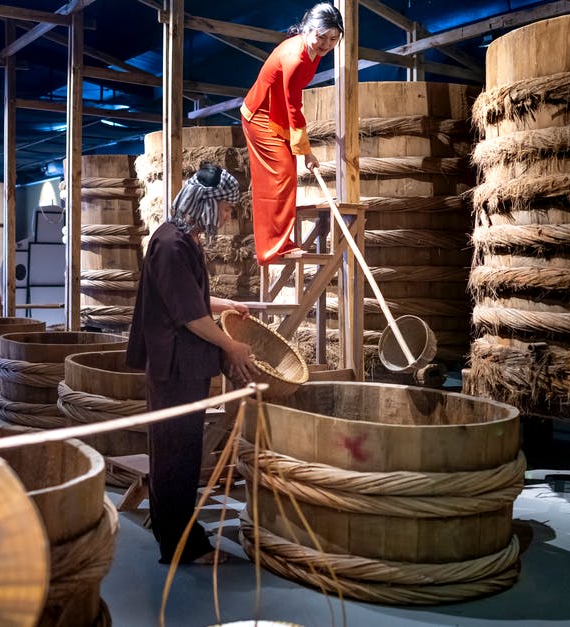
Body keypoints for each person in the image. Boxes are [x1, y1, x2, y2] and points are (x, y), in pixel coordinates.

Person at [125, 162, 260, 564]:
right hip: (175, 368)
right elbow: (189, 316)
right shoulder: (171, 245)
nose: (227, 216)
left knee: (176, 452)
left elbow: (190, 299)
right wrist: (231, 347)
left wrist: (228, 304)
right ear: (205, 203)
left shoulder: (181, 240)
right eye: (224, 208)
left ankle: (171, 529)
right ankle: (181, 546)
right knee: (175, 455)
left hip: (184, 367)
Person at [241, 3, 343, 264]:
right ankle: (276, 247)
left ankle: (278, 243)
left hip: (274, 114)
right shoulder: (296, 58)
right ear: (308, 30)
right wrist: (306, 152)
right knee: (283, 174)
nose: (327, 44)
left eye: (333, 38)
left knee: (284, 173)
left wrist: (302, 150)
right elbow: (293, 106)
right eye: (322, 37)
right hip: (260, 115)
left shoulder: (311, 51)